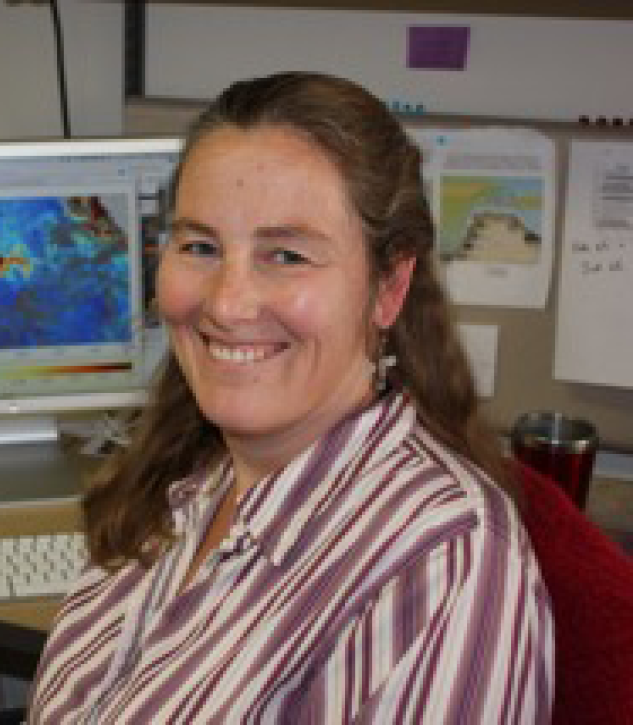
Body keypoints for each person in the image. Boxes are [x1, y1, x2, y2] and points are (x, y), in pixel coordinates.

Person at [29, 72, 553, 724]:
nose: (226, 302)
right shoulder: (189, 476)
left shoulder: (445, 566)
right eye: (199, 246)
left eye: (286, 255)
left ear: (388, 288)